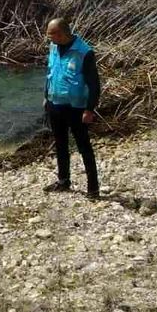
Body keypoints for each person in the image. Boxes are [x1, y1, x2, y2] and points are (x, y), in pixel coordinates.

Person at [43, 17, 101, 198]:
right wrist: (46, 97)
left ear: (60, 34)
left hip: (76, 108)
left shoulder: (84, 52)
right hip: (55, 105)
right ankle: (63, 181)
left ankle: (93, 189)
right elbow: (50, 73)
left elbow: (94, 85)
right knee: (60, 145)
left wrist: (89, 109)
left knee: (84, 147)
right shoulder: (53, 48)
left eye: (51, 34)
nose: (49, 38)